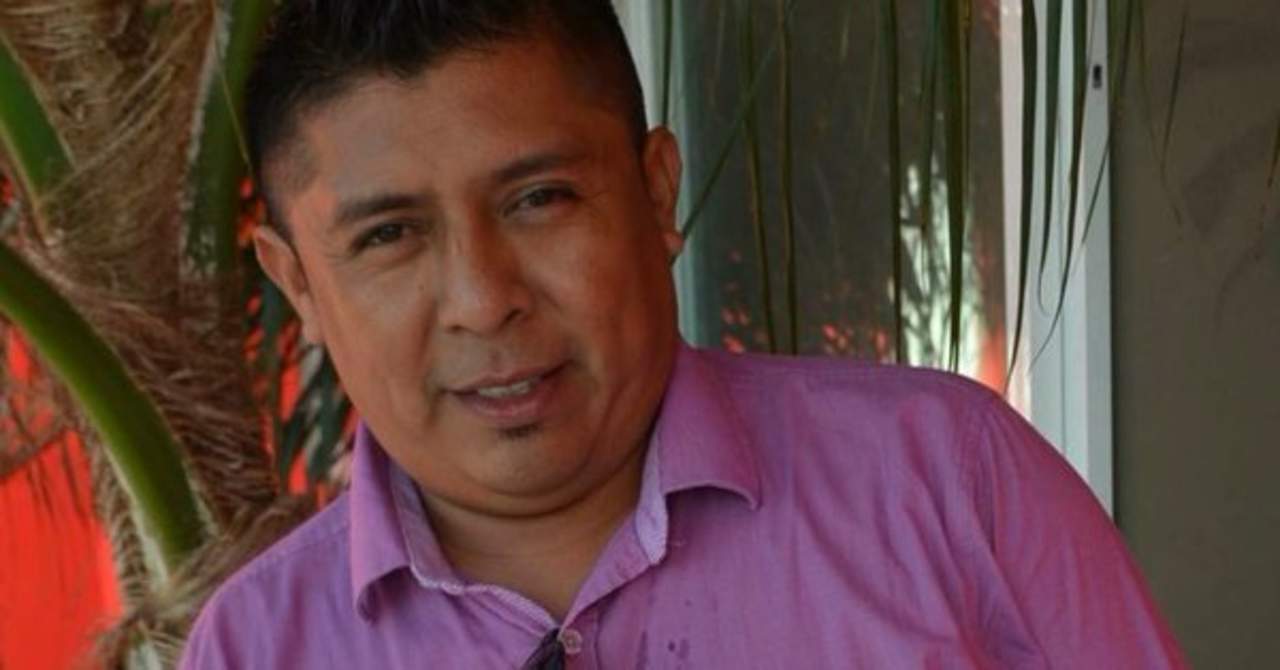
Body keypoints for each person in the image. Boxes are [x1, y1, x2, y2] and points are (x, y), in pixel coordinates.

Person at [180, 1, 1187, 667]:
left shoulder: (947, 485)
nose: (483, 300)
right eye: (389, 235)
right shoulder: (258, 646)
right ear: (298, 282)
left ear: (655, 192)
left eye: (539, 198)